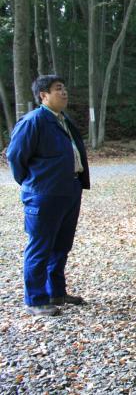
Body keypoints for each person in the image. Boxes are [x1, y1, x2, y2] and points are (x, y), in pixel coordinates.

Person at [7, 75, 90, 317]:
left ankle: (56, 292)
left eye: (64, 88)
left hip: (69, 190)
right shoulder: (34, 121)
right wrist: (33, 182)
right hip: (44, 194)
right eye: (58, 89)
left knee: (61, 246)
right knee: (40, 246)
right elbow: (15, 156)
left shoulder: (63, 120)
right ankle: (35, 299)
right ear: (43, 95)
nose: (64, 92)